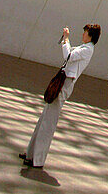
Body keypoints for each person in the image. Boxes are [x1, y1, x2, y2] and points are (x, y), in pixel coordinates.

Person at [20, 22, 101, 169]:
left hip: (65, 83)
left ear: (91, 35)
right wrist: (66, 41)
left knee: (48, 122)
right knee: (44, 118)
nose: (83, 34)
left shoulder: (88, 49)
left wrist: (66, 38)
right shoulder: (85, 48)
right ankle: (30, 153)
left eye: (85, 32)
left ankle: (37, 160)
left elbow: (68, 55)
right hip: (63, 81)